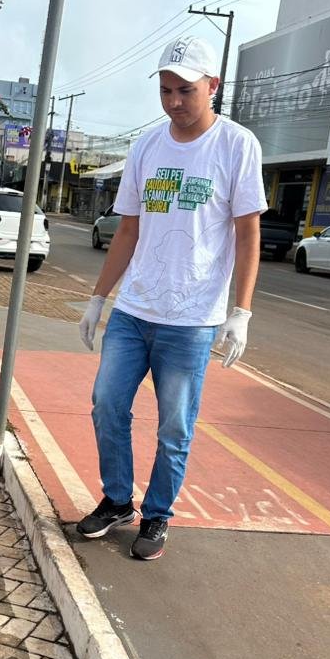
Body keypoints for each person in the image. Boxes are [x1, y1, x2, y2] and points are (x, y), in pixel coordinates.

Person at [77, 36, 267, 561]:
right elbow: (128, 231)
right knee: (106, 405)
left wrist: (241, 312)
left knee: (174, 426)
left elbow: (248, 233)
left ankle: (157, 515)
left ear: (213, 86)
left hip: (191, 318)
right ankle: (118, 499)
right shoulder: (147, 147)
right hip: (135, 310)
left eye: (185, 90)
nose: (174, 101)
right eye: (165, 90)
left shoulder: (236, 145)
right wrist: (99, 299)